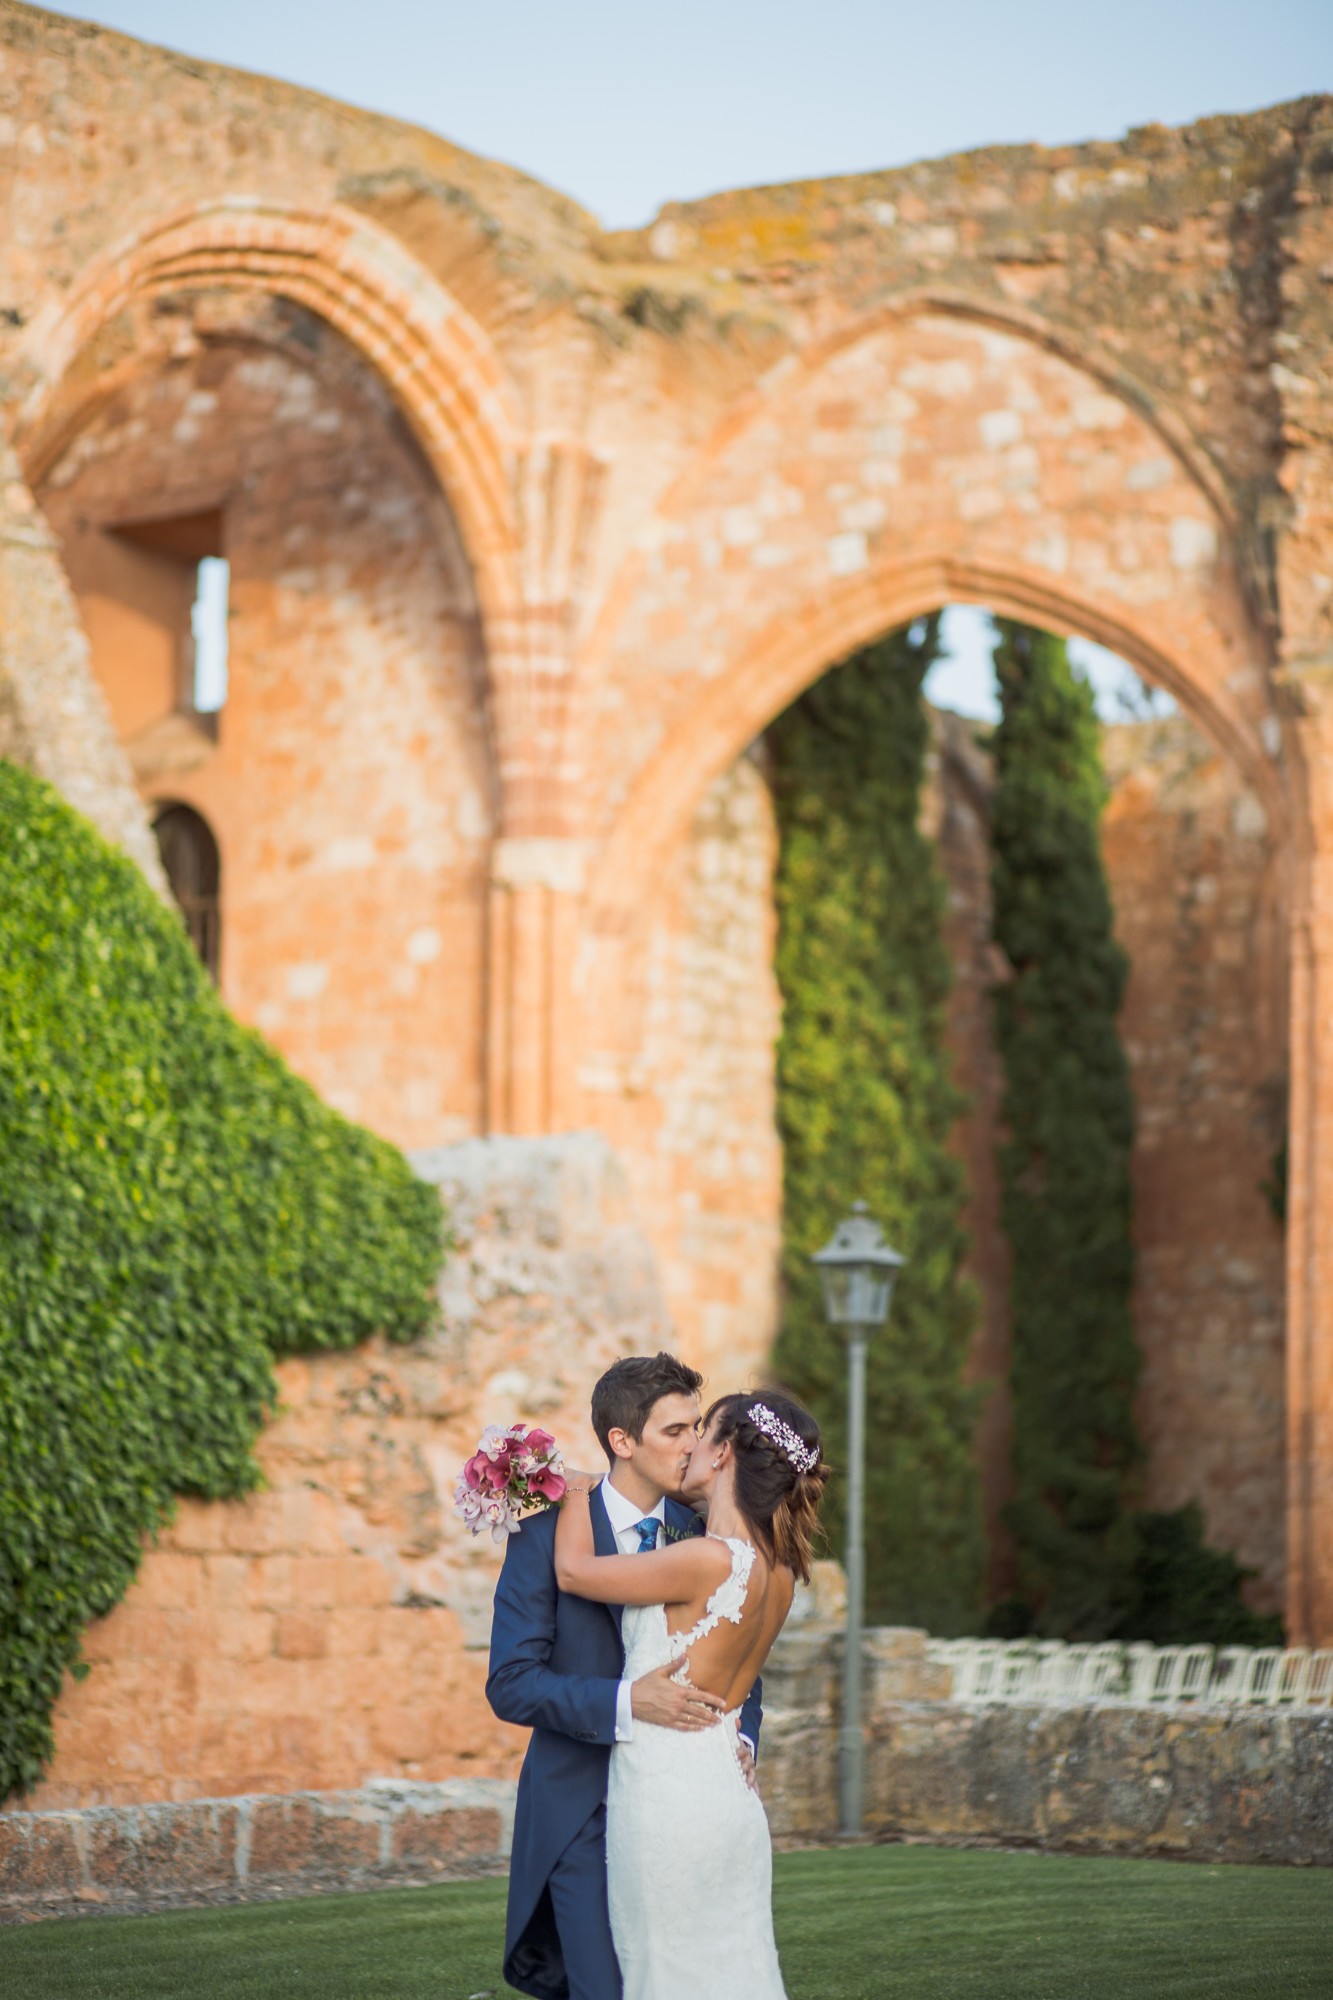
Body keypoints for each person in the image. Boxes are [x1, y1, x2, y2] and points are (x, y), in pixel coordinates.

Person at [487, 1353, 764, 2000]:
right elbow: (511, 1683)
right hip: (582, 1809)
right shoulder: (543, 1530)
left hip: (679, 1808)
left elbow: (741, 1662)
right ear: (622, 1441)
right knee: (604, 1988)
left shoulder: (699, 1534)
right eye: (675, 1431)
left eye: (698, 1427)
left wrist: (741, 1739)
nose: (694, 1445)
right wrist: (625, 1701)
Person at [555, 1387, 829, 2000]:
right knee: (737, 1971)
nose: (689, 1447)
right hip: (730, 1802)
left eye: (701, 1434)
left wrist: (576, 1488)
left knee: (664, 1975)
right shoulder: (781, 1571)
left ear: (725, 1454)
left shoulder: (708, 1558)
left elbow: (574, 1573)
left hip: (668, 1800)